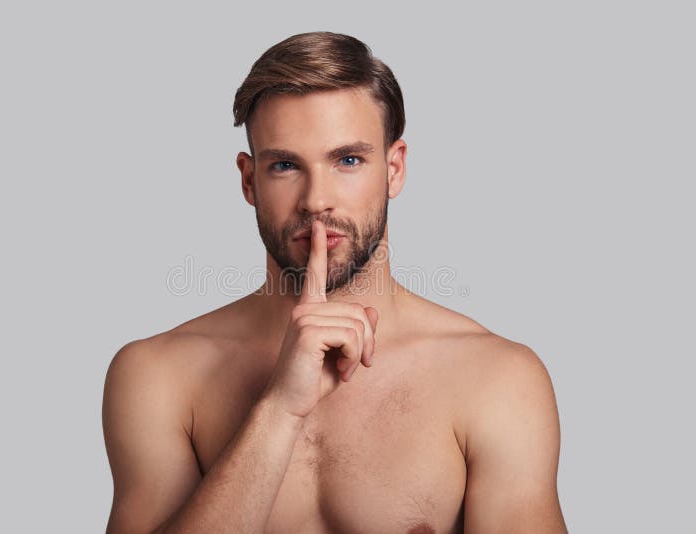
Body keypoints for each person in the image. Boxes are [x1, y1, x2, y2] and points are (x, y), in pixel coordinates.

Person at [102, 31, 567, 534]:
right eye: (284, 165)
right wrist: (279, 408)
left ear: (394, 169)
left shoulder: (495, 379)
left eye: (348, 160)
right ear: (249, 181)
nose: (316, 199)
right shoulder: (158, 376)